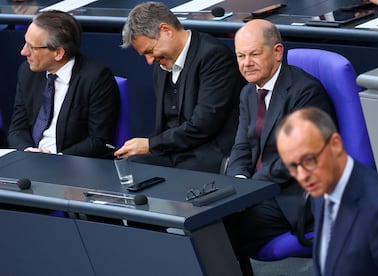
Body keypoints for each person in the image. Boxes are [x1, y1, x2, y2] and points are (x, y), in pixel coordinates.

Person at [223, 19, 336, 273]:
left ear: (277, 52)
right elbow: (241, 146)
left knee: (222, 231)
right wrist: (239, 182)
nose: (246, 63)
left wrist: (250, 192)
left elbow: (299, 157)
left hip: (294, 194)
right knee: (211, 221)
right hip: (258, 189)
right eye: (240, 56)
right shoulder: (248, 93)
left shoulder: (305, 91)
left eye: (254, 54)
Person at [276, 107, 378, 276]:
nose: (302, 176)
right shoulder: (320, 192)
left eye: (309, 160)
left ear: (336, 144)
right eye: (293, 166)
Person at [116, 1, 244, 173]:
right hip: (175, 152)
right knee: (129, 165)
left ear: (166, 31)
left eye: (149, 51)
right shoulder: (161, 65)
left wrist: (150, 144)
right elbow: (166, 125)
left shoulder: (213, 56)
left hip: (207, 153)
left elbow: (204, 126)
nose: (149, 60)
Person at [8, 10, 120, 158]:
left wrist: (56, 158)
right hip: (31, 160)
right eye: (25, 43)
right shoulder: (27, 72)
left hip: (72, 165)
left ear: (59, 53)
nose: (24, 52)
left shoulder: (96, 78)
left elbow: (99, 140)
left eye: (32, 47)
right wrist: (28, 152)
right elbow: (18, 128)